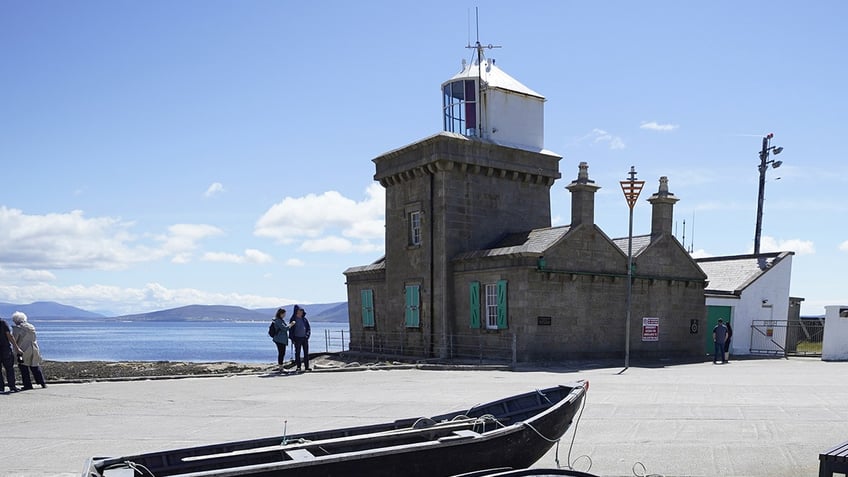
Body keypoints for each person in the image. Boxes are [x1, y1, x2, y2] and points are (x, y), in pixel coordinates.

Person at [11, 311, 47, 389]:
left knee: (23, 367)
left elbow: (14, 339)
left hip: (23, 349)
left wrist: (15, 350)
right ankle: (42, 382)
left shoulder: (17, 329)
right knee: (35, 366)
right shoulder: (31, 327)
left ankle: (27, 385)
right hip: (34, 348)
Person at [0, 315, 24, 393]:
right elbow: (9, 336)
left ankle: (1, 387)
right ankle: (12, 386)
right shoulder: (3, 323)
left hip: (4, 349)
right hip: (5, 349)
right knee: (9, 368)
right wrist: (17, 348)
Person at [288, 305, 311, 372]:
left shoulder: (304, 319)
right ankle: (298, 367)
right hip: (297, 338)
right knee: (297, 353)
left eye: (302, 311)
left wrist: (307, 335)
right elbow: (291, 330)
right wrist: (292, 339)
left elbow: (308, 328)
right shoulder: (293, 319)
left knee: (306, 353)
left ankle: (307, 367)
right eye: (300, 310)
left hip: (304, 338)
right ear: (296, 311)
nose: (301, 312)